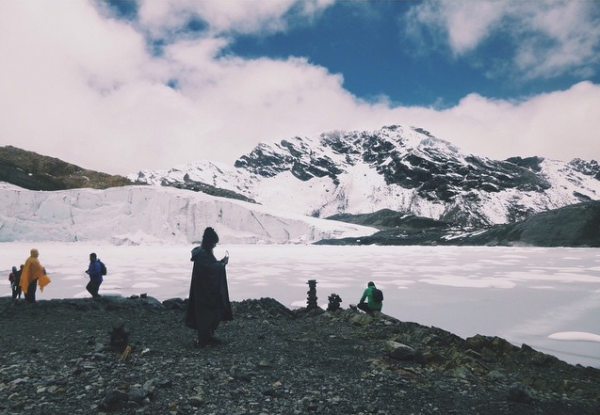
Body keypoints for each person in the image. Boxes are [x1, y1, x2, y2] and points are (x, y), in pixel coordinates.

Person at [185, 227, 233, 347]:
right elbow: (209, 270)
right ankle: (203, 340)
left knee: (209, 314)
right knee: (205, 315)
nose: (214, 246)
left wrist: (221, 263)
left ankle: (208, 336)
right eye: (214, 243)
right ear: (209, 242)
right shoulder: (202, 255)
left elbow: (211, 267)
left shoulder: (204, 253)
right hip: (204, 293)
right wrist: (222, 264)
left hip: (204, 291)